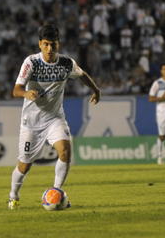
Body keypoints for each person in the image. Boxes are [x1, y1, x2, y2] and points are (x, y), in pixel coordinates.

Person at [8, 24, 101, 210]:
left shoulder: (66, 63)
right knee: (24, 166)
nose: (50, 48)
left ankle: (56, 193)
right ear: (40, 44)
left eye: (53, 44)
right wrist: (26, 93)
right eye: (46, 44)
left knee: (65, 151)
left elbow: (82, 75)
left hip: (54, 119)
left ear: (58, 44)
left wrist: (95, 90)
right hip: (31, 123)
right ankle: (13, 195)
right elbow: (16, 90)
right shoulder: (31, 62)